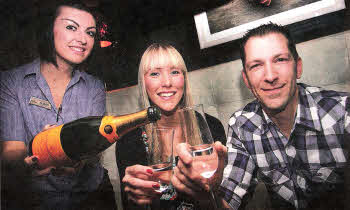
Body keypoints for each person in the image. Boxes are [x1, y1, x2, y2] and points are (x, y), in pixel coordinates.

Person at [172, 23, 350, 209]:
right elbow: (228, 202)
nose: (270, 76)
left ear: (297, 67)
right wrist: (207, 193)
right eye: (256, 65)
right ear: (247, 80)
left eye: (280, 60)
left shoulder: (342, 112)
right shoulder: (243, 125)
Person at [0, 1, 117, 209]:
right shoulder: (11, 82)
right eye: (71, 27)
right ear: (49, 29)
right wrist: (35, 153)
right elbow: (12, 149)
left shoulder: (95, 87)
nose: (82, 39)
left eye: (90, 33)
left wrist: (75, 159)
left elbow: (93, 148)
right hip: (36, 201)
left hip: (91, 196)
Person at [115, 43, 227, 210]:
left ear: (184, 78)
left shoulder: (211, 127)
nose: (167, 82)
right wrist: (137, 198)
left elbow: (225, 199)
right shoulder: (129, 141)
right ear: (143, 83)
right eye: (154, 74)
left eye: (175, 72)